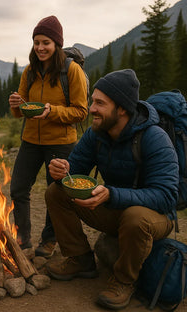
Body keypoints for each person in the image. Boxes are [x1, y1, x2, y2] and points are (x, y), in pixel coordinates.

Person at [45, 69, 178, 310]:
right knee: (57, 192)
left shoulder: (154, 138)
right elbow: (75, 171)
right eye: (92, 101)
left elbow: (167, 196)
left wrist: (113, 194)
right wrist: (61, 171)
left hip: (155, 216)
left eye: (99, 103)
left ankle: (125, 281)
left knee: (135, 217)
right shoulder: (96, 133)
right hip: (114, 206)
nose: (92, 108)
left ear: (122, 108)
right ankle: (81, 259)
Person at [8, 15, 88, 257]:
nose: (40, 48)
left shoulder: (71, 71)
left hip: (62, 143)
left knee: (56, 194)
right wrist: (15, 104)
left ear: (57, 44)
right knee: (18, 189)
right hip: (30, 140)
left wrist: (51, 111)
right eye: (36, 42)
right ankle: (22, 240)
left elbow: (81, 111)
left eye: (46, 43)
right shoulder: (30, 71)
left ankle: (49, 240)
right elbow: (19, 111)